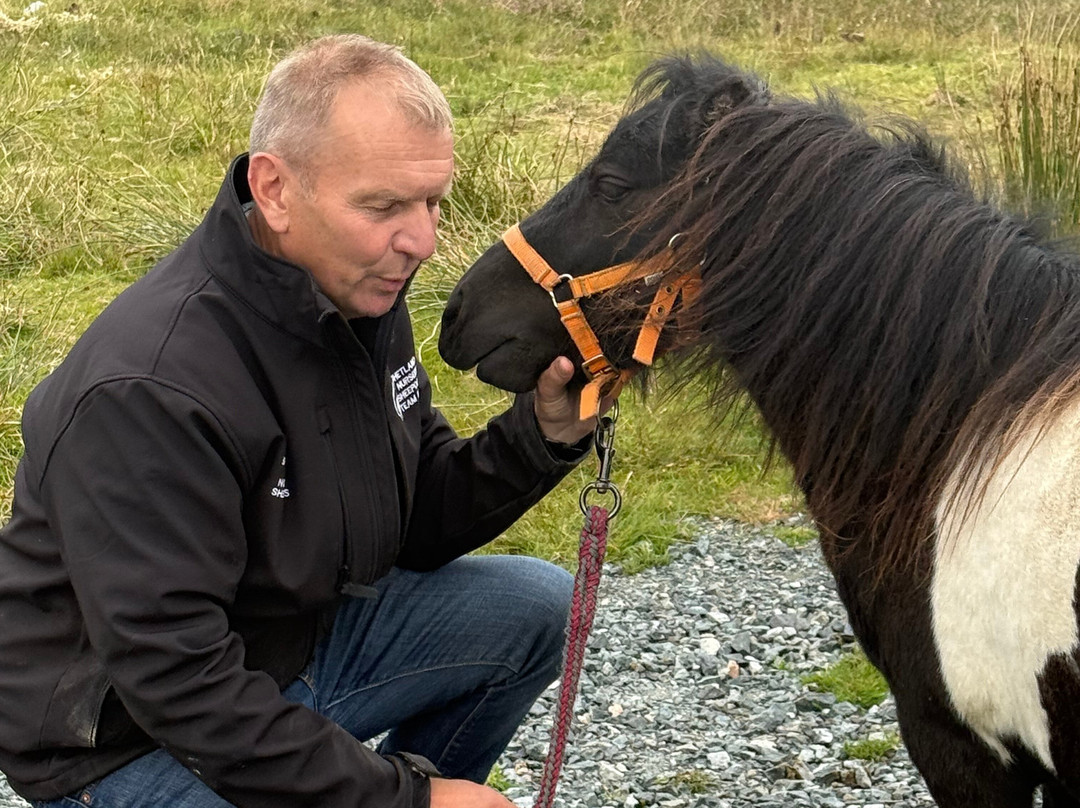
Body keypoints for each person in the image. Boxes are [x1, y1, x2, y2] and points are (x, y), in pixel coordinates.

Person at [0, 34, 598, 808]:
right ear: (275, 189)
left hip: (290, 653)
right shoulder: (150, 386)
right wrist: (407, 799)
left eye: (432, 201)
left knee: (528, 606)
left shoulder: (359, 294)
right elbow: (180, 684)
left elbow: (416, 517)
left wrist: (543, 434)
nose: (423, 241)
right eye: (384, 206)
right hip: (130, 744)